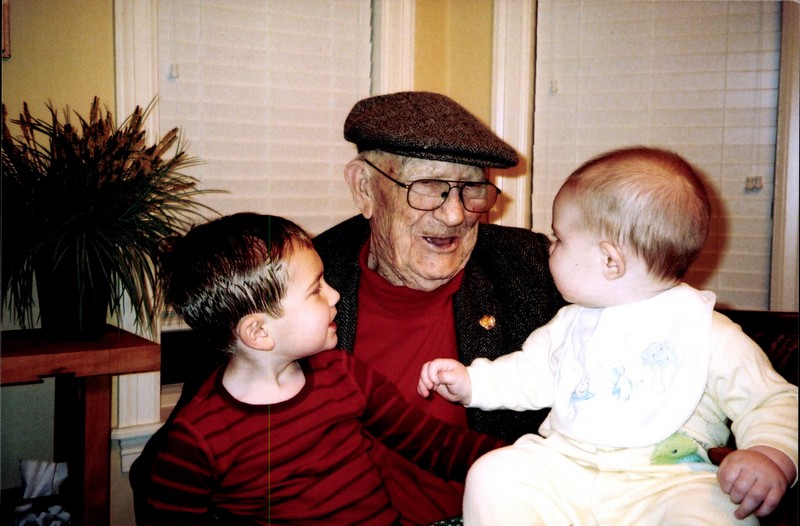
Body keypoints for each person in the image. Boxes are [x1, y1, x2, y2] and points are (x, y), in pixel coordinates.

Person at [418, 147, 799, 525]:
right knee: (495, 474)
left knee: (720, 513)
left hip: (666, 483)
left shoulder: (709, 333)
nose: (549, 250)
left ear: (610, 261)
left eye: (559, 239)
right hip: (565, 469)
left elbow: (773, 400)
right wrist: (473, 382)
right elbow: (529, 372)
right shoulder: (571, 324)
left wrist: (771, 455)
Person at [143, 213, 506, 525]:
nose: (334, 295)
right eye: (315, 289)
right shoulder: (197, 439)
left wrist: (522, 456)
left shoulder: (343, 375)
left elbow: (432, 444)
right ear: (259, 332)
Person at [313, 91, 565, 523]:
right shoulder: (302, 283)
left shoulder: (534, 270)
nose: (454, 215)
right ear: (364, 187)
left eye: (472, 189)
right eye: (428, 187)